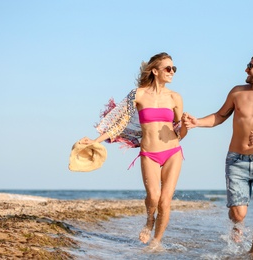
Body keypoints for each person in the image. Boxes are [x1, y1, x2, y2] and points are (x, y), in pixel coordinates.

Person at [183, 52, 253, 255]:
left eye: (250, 65)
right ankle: (237, 224)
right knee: (238, 213)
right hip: (236, 160)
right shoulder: (237, 92)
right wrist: (197, 122)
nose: (246, 69)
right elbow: (219, 116)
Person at [79, 52, 187, 251]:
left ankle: (156, 242)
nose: (172, 72)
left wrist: (186, 126)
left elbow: (180, 132)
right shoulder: (137, 94)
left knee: (165, 200)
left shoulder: (175, 98)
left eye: (174, 68)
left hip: (172, 151)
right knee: (153, 197)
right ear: (155, 71)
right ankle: (149, 221)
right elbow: (118, 123)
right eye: (168, 68)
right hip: (149, 153)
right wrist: (95, 141)